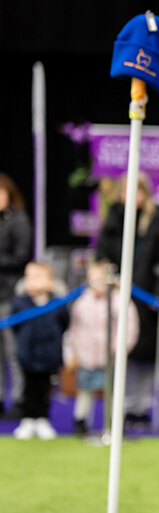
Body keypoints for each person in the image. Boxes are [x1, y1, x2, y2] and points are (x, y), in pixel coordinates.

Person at [95, 172, 159, 427]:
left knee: (146, 354)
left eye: (137, 191)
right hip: (119, 297)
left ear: (145, 193)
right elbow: (102, 257)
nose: (132, 197)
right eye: (126, 192)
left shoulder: (158, 221)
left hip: (149, 297)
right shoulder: (112, 221)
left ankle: (141, 406)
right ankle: (123, 405)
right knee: (122, 352)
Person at [64, 261, 139, 435]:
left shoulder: (120, 302)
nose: (97, 285)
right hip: (86, 356)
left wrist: (120, 349)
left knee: (114, 391)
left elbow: (130, 327)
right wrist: (73, 350)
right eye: (93, 280)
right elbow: (74, 328)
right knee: (84, 389)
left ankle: (116, 423)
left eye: (101, 280)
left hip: (111, 357)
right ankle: (81, 420)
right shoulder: (82, 303)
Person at [10, 262, 69, 439]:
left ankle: (43, 419)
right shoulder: (20, 302)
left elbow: (64, 323)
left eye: (37, 277)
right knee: (28, 388)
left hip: (50, 356)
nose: (32, 281)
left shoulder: (58, 303)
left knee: (45, 389)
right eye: (29, 277)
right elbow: (16, 327)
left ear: (50, 282)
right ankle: (28, 419)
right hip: (27, 356)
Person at [0, 173, 32, 420]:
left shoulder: (18, 220)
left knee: (14, 351)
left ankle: (21, 401)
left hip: (10, 295)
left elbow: (22, 256)